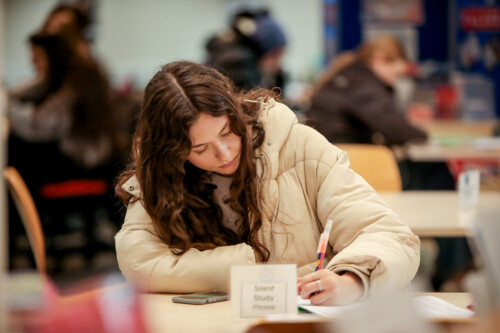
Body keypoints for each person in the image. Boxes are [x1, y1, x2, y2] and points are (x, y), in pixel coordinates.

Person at [114, 61, 420, 306]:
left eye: (226, 132)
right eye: (199, 149)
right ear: (173, 152)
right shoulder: (159, 176)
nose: (224, 154)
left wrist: (351, 280)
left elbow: (389, 236)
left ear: (237, 113)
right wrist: (250, 267)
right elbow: (139, 263)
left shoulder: (299, 147)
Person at [307, 35, 427, 146]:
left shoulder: (351, 74)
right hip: (344, 154)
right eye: (396, 75)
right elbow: (393, 127)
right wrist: (424, 136)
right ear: (379, 59)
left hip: (328, 152)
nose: (395, 82)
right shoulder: (363, 83)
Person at [205, 8, 287, 91]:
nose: (277, 65)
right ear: (259, 50)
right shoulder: (238, 66)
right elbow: (258, 101)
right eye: (274, 55)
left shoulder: (237, 59)